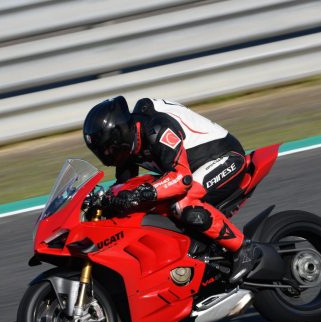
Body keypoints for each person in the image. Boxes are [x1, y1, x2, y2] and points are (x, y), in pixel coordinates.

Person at [82, 96, 260, 284]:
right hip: (192, 170)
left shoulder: (156, 129)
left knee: (183, 205)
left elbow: (182, 178)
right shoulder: (128, 145)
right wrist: (99, 200)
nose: (107, 154)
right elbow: (123, 185)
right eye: (102, 151)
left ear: (120, 135)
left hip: (225, 158)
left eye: (109, 148)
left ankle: (244, 248)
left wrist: (143, 192)